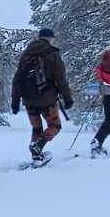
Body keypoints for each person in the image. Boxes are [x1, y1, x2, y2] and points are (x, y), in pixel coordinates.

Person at [10, 28, 73, 163]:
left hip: (28, 99)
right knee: (55, 126)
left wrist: (15, 101)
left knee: (37, 128)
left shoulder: (26, 54)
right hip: (47, 98)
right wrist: (67, 98)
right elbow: (61, 79)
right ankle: (38, 145)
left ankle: (36, 154)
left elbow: (17, 78)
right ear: (50, 39)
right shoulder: (53, 54)